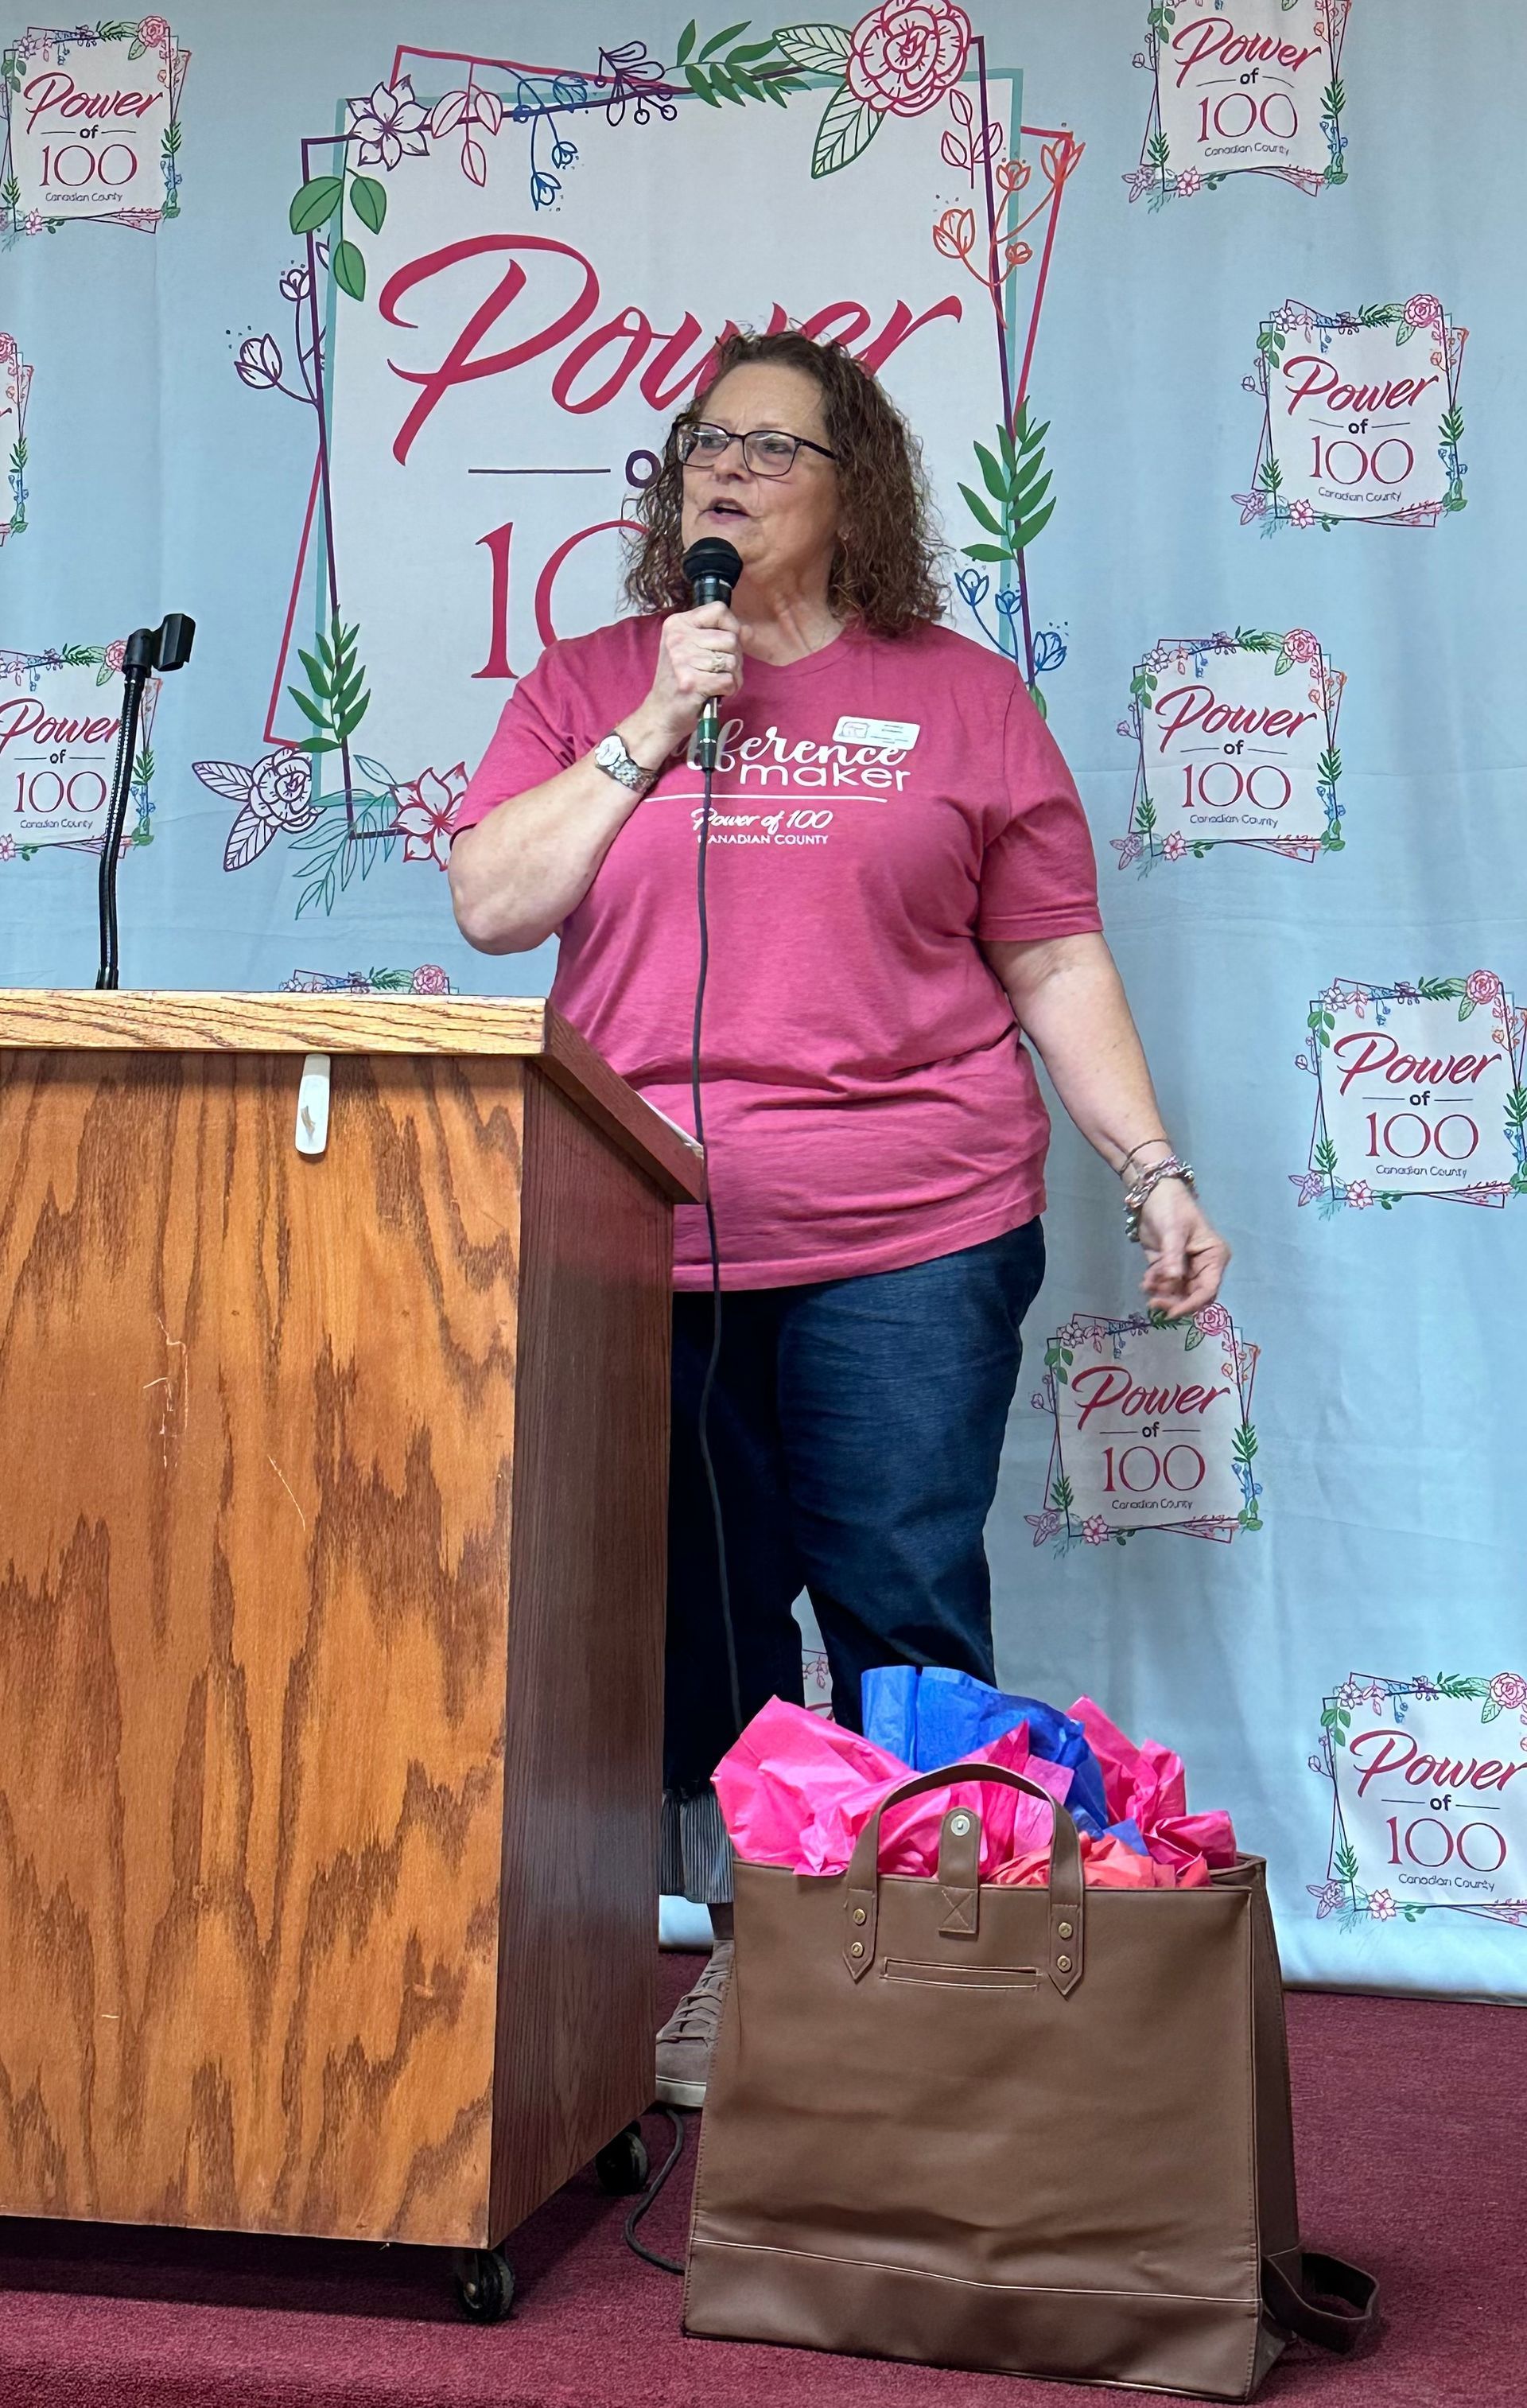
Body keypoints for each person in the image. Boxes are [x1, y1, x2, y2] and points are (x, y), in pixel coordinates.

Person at [449, 329, 1230, 2107]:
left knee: (893, 1590)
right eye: (699, 446)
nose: (720, 471)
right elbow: (495, 900)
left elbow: (1048, 953)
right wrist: (654, 725)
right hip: (635, 1238)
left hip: (912, 1227)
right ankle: (752, 1956)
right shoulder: (591, 682)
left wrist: (1155, 1167)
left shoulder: (960, 699)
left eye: (770, 449)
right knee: (694, 1626)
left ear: (854, 485)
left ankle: (913, 1981)